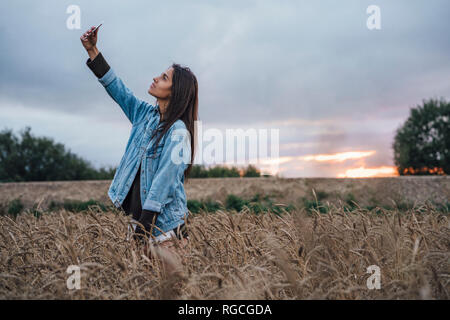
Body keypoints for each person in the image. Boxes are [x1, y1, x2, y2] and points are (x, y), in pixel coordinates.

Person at [80, 25, 198, 251]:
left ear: (176, 93)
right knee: (142, 286)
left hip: (164, 229)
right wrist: (93, 51)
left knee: (168, 286)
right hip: (139, 224)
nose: (155, 78)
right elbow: (118, 90)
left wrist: (142, 232)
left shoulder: (178, 132)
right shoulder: (145, 115)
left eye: (163, 78)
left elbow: (162, 185)